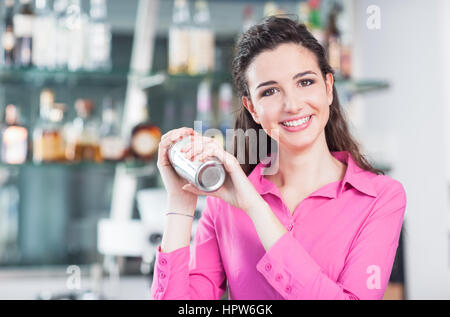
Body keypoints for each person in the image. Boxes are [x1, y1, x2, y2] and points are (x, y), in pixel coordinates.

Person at [151, 16, 406, 300]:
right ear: (253, 108)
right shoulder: (222, 205)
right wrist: (179, 203)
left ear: (328, 87)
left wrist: (255, 208)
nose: (293, 105)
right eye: (270, 91)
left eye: (305, 82)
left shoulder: (380, 198)